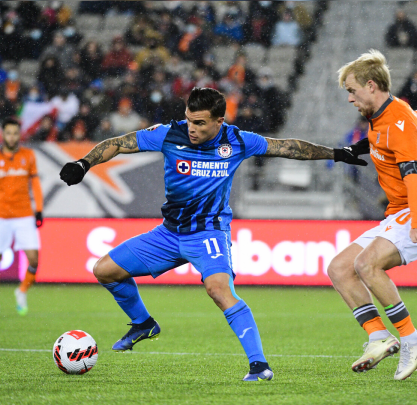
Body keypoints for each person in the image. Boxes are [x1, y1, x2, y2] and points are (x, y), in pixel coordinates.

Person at [58, 87, 368, 381]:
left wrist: (336, 154)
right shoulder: (169, 133)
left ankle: (259, 365)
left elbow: (288, 147)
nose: (191, 128)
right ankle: (143, 324)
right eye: (189, 120)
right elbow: (119, 142)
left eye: (200, 123)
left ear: (220, 121)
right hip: (169, 234)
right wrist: (84, 163)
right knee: (105, 270)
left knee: (219, 290)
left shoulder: (237, 140)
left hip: (208, 234)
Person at [330, 50, 417, 380]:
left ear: (371, 86)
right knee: (339, 268)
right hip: (398, 213)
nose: (350, 98)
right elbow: (391, 127)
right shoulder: (385, 115)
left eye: (352, 91)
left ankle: (411, 339)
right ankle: (379, 337)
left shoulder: (400, 122)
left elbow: (412, 175)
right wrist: (415, 115)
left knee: (366, 264)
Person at [0, 118, 44, 317]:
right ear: (2, 134)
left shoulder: (29, 156)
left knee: (34, 260)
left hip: (24, 215)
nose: (12, 137)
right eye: (8, 133)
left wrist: (39, 209)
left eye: (15, 133)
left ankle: (21, 291)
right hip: (0, 216)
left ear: (19, 135)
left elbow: (35, 183)